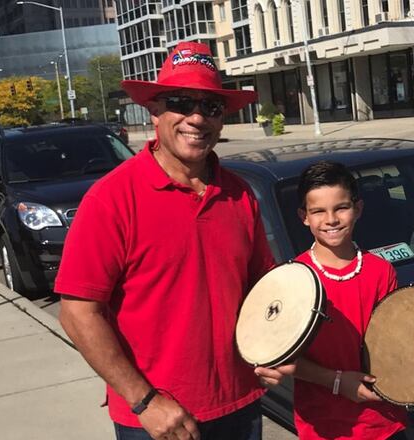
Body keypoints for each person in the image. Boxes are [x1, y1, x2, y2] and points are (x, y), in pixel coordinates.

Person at [55, 41, 292, 440]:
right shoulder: (111, 198)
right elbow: (78, 313)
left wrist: (275, 347)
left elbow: (262, 288)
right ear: (155, 111)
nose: (197, 118)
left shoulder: (238, 194)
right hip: (158, 417)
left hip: (240, 403)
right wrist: (144, 401)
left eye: (211, 106)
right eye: (181, 103)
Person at [291, 161, 408, 439]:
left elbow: (394, 343)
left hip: (384, 422)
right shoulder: (293, 278)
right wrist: (337, 381)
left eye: (341, 207)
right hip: (323, 426)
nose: (331, 219)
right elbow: (283, 360)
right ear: (304, 216)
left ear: (358, 209)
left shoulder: (381, 271)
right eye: (318, 211)